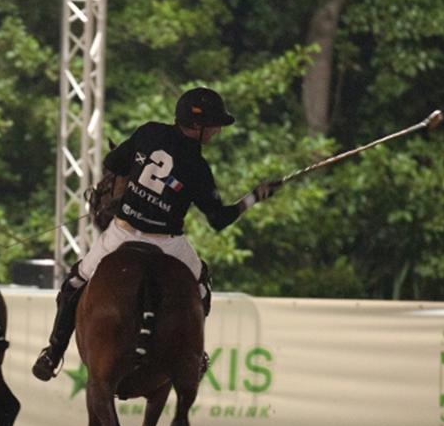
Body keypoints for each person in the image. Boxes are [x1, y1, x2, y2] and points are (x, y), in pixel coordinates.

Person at [32, 86, 282, 381]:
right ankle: (194, 353)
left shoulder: (149, 132)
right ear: (198, 126)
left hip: (122, 233)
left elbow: (113, 163)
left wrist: (131, 183)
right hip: (167, 243)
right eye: (213, 125)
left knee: (74, 283)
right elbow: (219, 219)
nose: (217, 131)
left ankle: (53, 353)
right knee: (201, 286)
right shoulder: (198, 167)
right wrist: (254, 196)